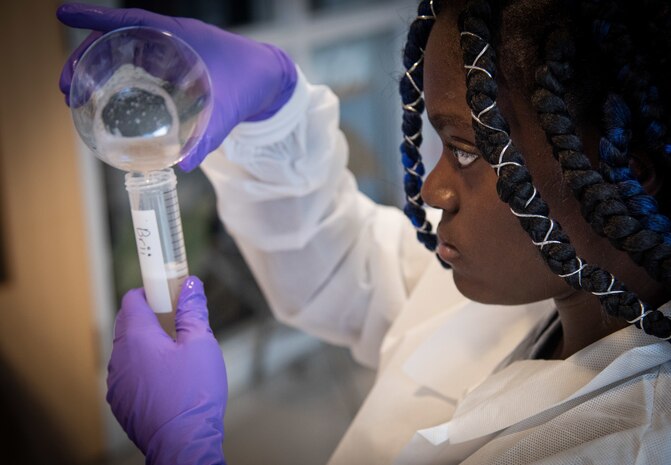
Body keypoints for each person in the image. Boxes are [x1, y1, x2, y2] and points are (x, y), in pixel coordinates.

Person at [57, 0, 671, 463]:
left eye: (463, 150)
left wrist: (186, 454)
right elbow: (346, 263)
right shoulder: (525, 294)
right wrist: (276, 111)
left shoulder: (632, 441)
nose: (433, 190)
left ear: (623, 173)